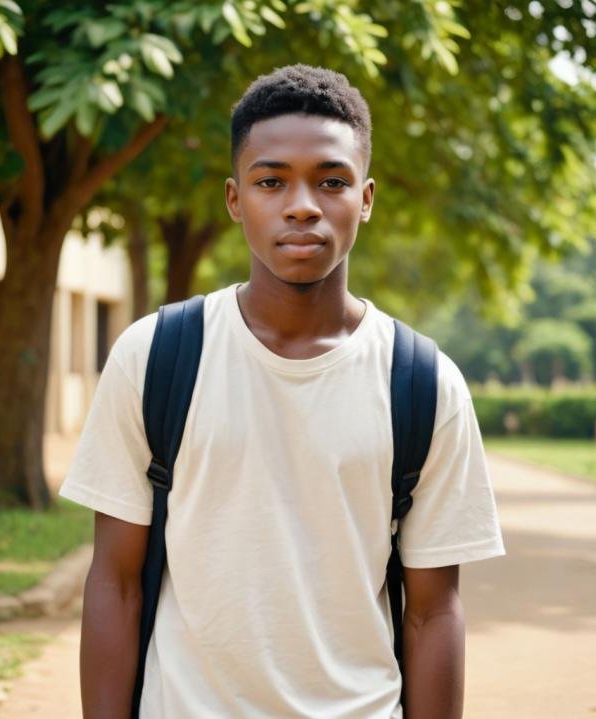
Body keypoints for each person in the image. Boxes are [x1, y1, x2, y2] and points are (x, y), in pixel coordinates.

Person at [59, 64, 506, 719]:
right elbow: (115, 583)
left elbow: (434, 610)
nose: (302, 204)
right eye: (271, 181)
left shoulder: (422, 381)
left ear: (367, 198)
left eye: (331, 181)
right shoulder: (154, 356)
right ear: (236, 199)